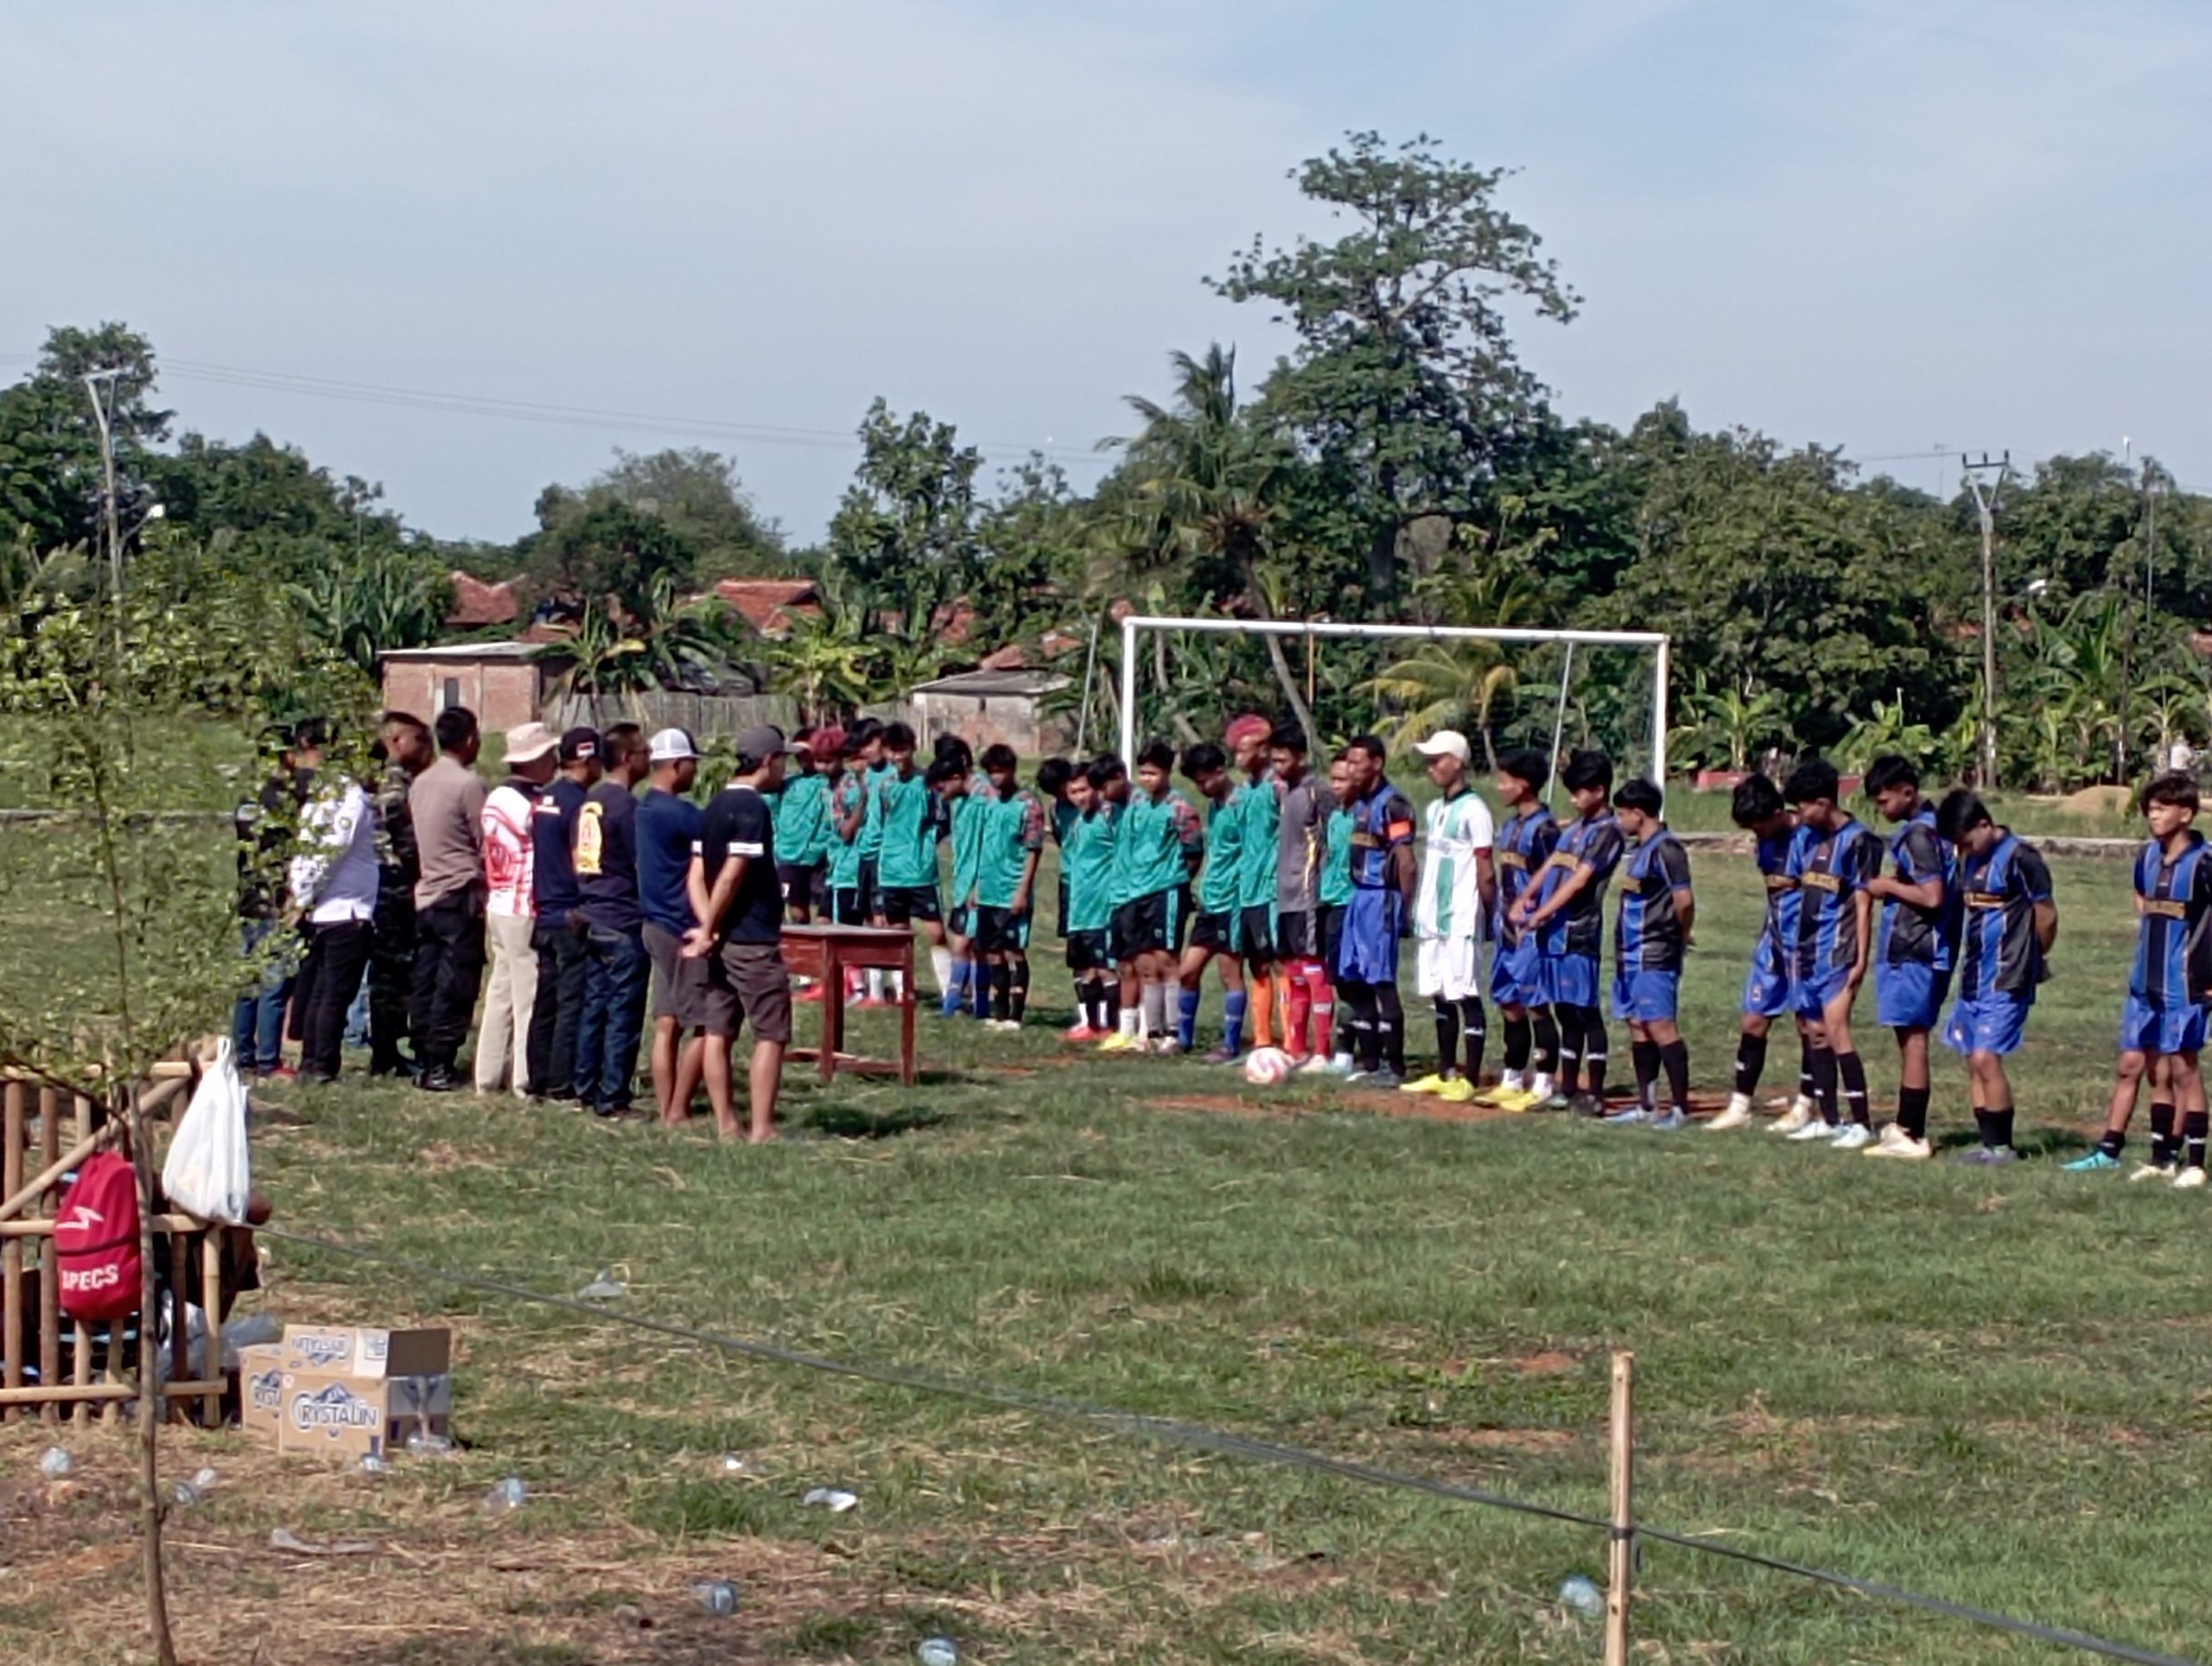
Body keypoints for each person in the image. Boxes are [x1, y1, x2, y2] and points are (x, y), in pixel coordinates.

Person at [2067, 773, 2212, 1183]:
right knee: (2154, 1069)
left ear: (2185, 813)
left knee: (2186, 1068)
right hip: (2144, 982)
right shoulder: (2147, 857)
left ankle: (2196, 1164)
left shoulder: (2203, 862)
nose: (2153, 815)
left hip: (2184, 982)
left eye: (2162, 808)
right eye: (2150, 808)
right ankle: (2161, 1156)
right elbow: (2139, 895)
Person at [685, 725, 799, 1144]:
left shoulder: (712, 806)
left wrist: (706, 928)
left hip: (721, 941)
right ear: (768, 761)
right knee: (771, 1031)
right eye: (783, 760)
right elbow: (732, 875)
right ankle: (763, 1127)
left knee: (719, 1030)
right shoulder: (752, 810)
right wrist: (711, 926)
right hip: (751, 938)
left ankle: (726, 1124)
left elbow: (695, 875)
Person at [1939, 790, 2058, 1166]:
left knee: (1986, 1057)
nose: (1965, 849)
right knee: (1972, 1060)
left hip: (2008, 977)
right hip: (1973, 974)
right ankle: (1987, 1143)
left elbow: (2047, 914)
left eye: (1967, 840)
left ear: (1985, 824)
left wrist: (2035, 957)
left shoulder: (2021, 859)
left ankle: (2004, 1148)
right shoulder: (1968, 859)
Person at [1777, 759, 1879, 1147]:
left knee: (1837, 1031)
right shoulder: (1806, 838)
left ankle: (1862, 1122)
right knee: (1812, 1031)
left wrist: (1860, 959)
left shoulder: (1859, 842)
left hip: (1837, 951)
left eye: (1803, 806)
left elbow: (1864, 903)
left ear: (1823, 802)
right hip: (1804, 950)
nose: (1799, 815)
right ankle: (1828, 1117)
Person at [1516, 750, 1622, 1116]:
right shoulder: (1575, 828)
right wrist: (1526, 898)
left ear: (1600, 790)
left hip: (1579, 931)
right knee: (1563, 1009)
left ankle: (1594, 1092)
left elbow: (1579, 881)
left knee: (1585, 1011)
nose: (1574, 799)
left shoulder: (1608, 833)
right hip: (1554, 932)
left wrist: (1541, 913)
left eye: (1579, 792)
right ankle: (1567, 1087)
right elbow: (1552, 866)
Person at [1862, 755, 1957, 1159]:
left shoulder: (1917, 836)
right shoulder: (1940, 829)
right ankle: (1904, 1124)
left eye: (1885, 802)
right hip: (1925, 948)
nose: (1882, 811)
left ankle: (1913, 1133)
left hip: (1916, 948)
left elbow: (1932, 896)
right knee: (1908, 1036)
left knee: (1912, 1038)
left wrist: (1887, 885)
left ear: (1908, 791)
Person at [1710, 773, 1811, 1132]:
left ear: (1777, 811)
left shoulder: (1807, 838)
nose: (1758, 834)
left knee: (1808, 1024)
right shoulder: (1763, 843)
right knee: (1753, 1019)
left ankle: (1805, 1105)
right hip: (1773, 941)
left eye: (1760, 825)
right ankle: (1740, 1105)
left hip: (1806, 944)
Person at [1402, 730, 1496, 1103]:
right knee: (1439, 993)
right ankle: (1445, 1071)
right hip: (1433, 917)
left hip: (1461, 916)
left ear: (1457, 761)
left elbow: (1485, 868)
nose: (1431, 768)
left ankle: (1470, 1077)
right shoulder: (1435, 809)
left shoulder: (1476, 811)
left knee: (1466, 992)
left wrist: (1490, 914)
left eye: (1437, 759)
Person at [286, 741, 380, 1084]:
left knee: (321, 990)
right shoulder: (349, 800)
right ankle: (322, 1063)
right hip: (346, 911)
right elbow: (327, 854)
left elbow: (304, 853)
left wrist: (300, 894)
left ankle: (312, 1061)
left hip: (326, 910)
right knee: (334, 994)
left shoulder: (318, 801)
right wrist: (302, 897)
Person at [1604, 778, 1694, 1129]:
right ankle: (1646, 1105)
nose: (1618, 821)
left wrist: (1680, 936)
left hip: (1654, 952)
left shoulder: (1667, 850)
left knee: (1661, 1027)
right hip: (1629, 953)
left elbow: (1684, 900)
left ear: (1639, 814)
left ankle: (1680, 1109)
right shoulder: (1640, 849)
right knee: (1638, 1026)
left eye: (1622, 814)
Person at [1099, 743, 1202, 1053]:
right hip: (1135, 892)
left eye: (1153, 773)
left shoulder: (1180, 808)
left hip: (1166, 891)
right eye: (1143, 773)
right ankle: (1151, 1032)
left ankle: (1175, 1032)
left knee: (1167, 960)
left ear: (1167, 772)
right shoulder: (1137, 805)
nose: (1147, 779)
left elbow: (1195, 851)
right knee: (1144, 963)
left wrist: (1178, 880)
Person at [407, 707, 489, 1092]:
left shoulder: (420, 782)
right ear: (470, 739)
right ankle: (440, 1061)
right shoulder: (467, 785)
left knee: (426, 978)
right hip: (459, 894)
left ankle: (423, 1052)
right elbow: (484, 839)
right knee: (456, 983)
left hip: (427, 894)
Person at [574, 723, 652, 1119]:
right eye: (643, 753)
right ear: (626, 758)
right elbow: (643, 864)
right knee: (623, 1010)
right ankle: (613, 1095)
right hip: (622, 916)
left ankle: (585, 1084)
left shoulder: (591, 800)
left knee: (595, 1005)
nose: (649, 760)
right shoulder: (627, 807)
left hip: (592, 909)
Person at [475, 722, 558, 1097]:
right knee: (528, 996)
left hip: (499, 901)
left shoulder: (495, 798)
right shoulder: (523, 804)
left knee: (500, 992)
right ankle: (525, 1078)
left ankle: (487, 1074)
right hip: (522, 905)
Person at [1477, 749, 1560, 1112]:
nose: (1500, 787)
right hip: (1505, 926)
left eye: (1506, 780)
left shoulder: (1545, 829)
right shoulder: (1510, 826)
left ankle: (1543, 1081)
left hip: (1532, 929)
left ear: (1524, 784)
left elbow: (1556, 878)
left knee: (1537, 1004)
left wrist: (1538, 916)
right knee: (1508, 1002)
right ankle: (1512, 1076)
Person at [1331, 736, 1416, 1086]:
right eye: (1348, 761)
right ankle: (1369, 1062)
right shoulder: (1360, 803)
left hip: (1381, 897)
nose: (1351, 768)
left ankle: (1393, 1066)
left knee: (1381, 980)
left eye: (1357, 761)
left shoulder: (1393, 804)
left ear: (1377, 763)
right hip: (1358, 896)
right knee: (1353, 979)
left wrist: (1404, 909)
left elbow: (1406, 862)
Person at [231, 724, 308, 1079]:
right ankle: (268, 1059)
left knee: (248, 983)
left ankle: (243, 1052)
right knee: (274, 984)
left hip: (248, 898)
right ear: (286, 755)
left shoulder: (248, 799)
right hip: (276, 902)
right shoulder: (286, 800)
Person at [526, 728, 600, 1103]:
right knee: (572, 1002)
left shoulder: (544, 799)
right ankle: (560, 1082)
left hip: (544, 911)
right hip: (570, 912)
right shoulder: (582, 805)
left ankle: (536, 1077)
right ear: (588, 761)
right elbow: (581, 859)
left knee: (546, 1001)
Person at [638, 728, 706, 1122]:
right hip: (682, 926)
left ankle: (667, 1105)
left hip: (654, 923)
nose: (694, 772)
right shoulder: (681, 814)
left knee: (667, 1021)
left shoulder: (645, 808)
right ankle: (678, 1108)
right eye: (692, 765)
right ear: (677, 766)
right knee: (703, 1020)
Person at [367, 712, 434, 1078]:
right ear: (396, 742)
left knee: (391, 972)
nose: (426, 750)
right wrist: (415, 862)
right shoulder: (393, 780)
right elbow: (397, 822)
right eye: (419, 741)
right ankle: (386, 1051)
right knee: (392, 970)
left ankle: (387, 1047)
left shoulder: (387, 777)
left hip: (384, 880)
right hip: (391, 880)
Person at [1177, 741, 1247, 1059]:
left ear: (1221, 771)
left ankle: (1231, 1044)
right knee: (1187, 972)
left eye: (1205, 780)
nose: (1201, 788)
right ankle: (1183, 1038)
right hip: (1210, 900)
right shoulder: (1215, 806)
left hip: (1232, 903)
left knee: (1230, 974)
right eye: (1197, 783)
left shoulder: (1240, 803)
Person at [868, 723, 947, 1003]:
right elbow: (878, 824)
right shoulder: (885, 786)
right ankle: (903, 990)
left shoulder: (927, 783)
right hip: (891, 870)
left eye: (902, 751)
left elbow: (942, 820)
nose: (897, 757)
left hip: (920, 871)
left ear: (913, 749)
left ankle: (949, 993)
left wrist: (926, 845)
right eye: (892, 751)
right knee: (897, 932)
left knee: (936, 932)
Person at [1268, 725, 1332, 1066]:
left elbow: (1333, 835)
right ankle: (1296, 1048)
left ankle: (1322, 1051)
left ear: (1301, 758)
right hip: (1285, 894)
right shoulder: (1282, 791)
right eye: (1273, 760)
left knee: (1313, 971)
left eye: (1283, 759)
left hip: (1309, 893)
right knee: (1292, 972)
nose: (1277, 766)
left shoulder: (1317, 791)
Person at [974, 745, 1046, 1031]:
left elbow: (1033, 849)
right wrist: (976, 886)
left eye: (1001, 772)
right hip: (989, 888)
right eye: (991, 773)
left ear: (1013, 771)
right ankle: (997, 1011)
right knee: (992, 951)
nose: (996, 778)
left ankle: (1015, 1015)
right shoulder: (987, 802)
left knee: (1013, 950)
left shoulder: (1028, 804)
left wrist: (1022, 890)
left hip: (1012, 888)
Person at [1226, 715, 1281, 1053]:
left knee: (1280, 963)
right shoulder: (1244, 792)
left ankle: (1292, 1042)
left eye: (1242, 751)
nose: (1237, 759)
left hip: (1272, 889)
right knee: (1257, 965)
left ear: (1263, 749)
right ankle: (1262, 1040)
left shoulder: (1280, 787)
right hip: (1247, 891)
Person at [1061, 760, 1122, 1041]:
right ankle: (1091, 1023)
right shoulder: (1076, 824)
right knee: (1083, 968)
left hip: (1103, 908)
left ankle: (1112, 1024)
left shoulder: (1109, 817)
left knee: (1106, 968)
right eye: (1073, 792)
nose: (1079, 797)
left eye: (1084, 790)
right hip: (1079, 909)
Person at [1309, 751, 1356, 1076]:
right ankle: (1341, 1049)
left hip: (1351, 904)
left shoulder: (1362, 817)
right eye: (1333, 779)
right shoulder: (1333, 817)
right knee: (1336, 978)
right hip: (1328, 901)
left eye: (1342, 780)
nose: (1334, 786)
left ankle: (1351, 1053)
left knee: (1354, 982)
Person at [938, 754, 984, 1018]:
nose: (940, 792)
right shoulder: (960, 803)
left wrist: (978, 884)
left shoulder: (980, 802)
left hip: (975, 887)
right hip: (961, 884)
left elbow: (985, 847)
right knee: (964, 944)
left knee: (967, 945)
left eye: (942, 785)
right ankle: (959, 1003)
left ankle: (964, 1003)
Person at [772, 734, 831, 927]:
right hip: (789, 856)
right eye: (798, 755)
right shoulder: (788, 784)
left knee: (824, 913)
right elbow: (775, 813)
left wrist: (817, 847)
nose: (801, 759)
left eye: (806, 754)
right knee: (796, 911)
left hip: (817, 856)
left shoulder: (829, 783)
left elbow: (830, 818)